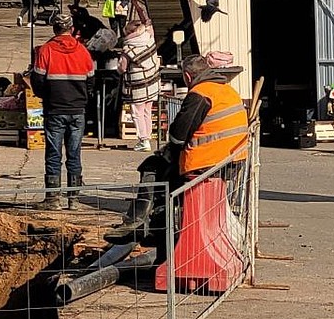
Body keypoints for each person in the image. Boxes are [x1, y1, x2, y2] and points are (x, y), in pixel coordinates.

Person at [106, 54, 249, 244]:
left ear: (187, 77)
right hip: (233, 159)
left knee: (153, 167)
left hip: (207, 162)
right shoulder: (227, 90)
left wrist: (166, 152)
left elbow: (177, 135)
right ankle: (152, 227)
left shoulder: (200, 94)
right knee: (165, 169)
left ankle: (138, 224)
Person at [29, 11, 95, 209]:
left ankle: (52, 199)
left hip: (54, 109)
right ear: (72, 28)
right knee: (74, 154)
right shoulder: (83, 51)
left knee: (53, 153)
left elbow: (37, 81)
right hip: (77, 110)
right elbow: (91, 81)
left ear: (54, 28)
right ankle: (74, 200)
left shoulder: (45, 50)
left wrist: (46, 97)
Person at [117, 19, 162, 152]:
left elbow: (122, 67)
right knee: (147, 111)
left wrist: (118, 69)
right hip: (152, 82)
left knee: (137, 112)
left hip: (138, 86)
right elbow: (149, 27)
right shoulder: (149, 39)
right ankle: (147, 137)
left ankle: (143, 140)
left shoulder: (128, 49)